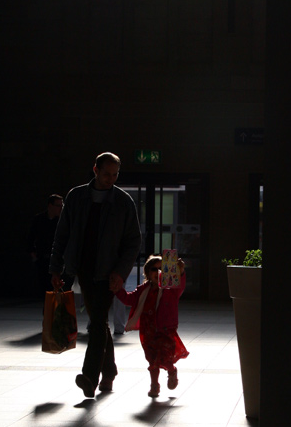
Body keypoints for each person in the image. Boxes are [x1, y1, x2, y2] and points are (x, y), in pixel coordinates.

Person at [49, 152, 141, 397]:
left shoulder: (123, 202)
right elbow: (62, 235)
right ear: (95, 170)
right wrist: (55, 267)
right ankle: (109, 373)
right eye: (107, 173)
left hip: (109, 273)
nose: (111, 179)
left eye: (115, 174)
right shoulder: (76, 197)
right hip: (83, 269)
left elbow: (133, 241)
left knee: (97, 322)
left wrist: (121, 272)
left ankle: (90, 376)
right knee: (99, 322)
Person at [115, 254, 189, 398]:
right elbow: (129, 299)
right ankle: (154, 385)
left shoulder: (170, 289)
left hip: (165, 329)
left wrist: (180, 272)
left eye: (162, 269)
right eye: (154, 269)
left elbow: (180, 287)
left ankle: (171, 370)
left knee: (165, 356)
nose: (158, 272)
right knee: (152, 358)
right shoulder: (143, 290)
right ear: (148, 273)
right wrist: (117, 290)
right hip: (148, 330)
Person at [28, 194, 66, 297]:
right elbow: (30, 237)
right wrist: (34, 254)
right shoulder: (39, 220)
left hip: (58, 259)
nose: (61, 208)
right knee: (45, 288)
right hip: (43, 258)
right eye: (58, 205)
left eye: (62, 205)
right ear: (50, 206)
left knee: (60, 288)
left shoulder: (62, 221)